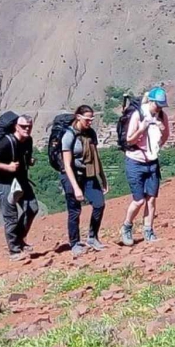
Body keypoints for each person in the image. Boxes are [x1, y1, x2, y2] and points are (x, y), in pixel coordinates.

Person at [0, 114, 40, 259]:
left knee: (32, 208)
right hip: (4, 183)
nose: (27, 129)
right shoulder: (6, 142)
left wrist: (29, 161)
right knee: (11, 217)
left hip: (21, 180)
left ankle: (19, 240)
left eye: (29, 126)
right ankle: (14, 251)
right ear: (16, 126)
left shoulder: (28, 140)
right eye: (23, 126)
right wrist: (7, 167)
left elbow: (26, 156)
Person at [120, 87, 170, 245]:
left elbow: (166, 134)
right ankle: (127, 226)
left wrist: (157, 145)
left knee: (151, 199)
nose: (160, 108)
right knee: (139, 200)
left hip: (152, 162)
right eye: (158, 104)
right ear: (152, 101)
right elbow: (129, 140)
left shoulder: (162, 116)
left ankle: (148, 230)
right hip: (135, 161)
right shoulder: (138, 115)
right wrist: (142, 129)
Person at [60, 106, 107, 255]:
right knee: (75, 211)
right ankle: (74, 243)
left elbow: (95, 156)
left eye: (91, 119)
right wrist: (76, 187)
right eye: (87, 119)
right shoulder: (69, 135)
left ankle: (93, 237)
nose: (90, 122)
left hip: (89, 173)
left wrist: (102, 177)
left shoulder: (90, 133)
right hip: (72, 175)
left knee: (99, 204)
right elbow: (67, 164)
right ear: (78, 117)